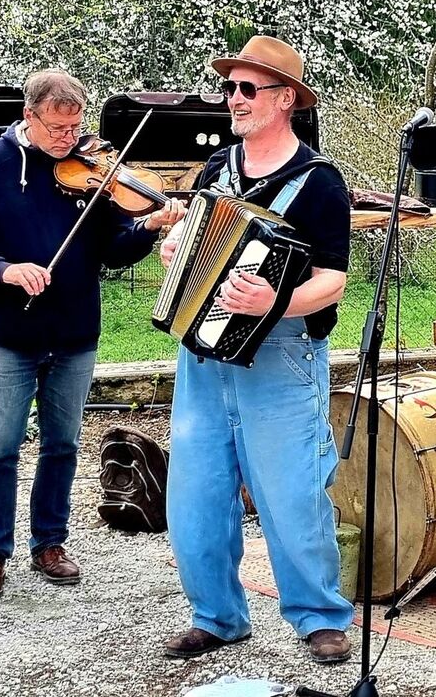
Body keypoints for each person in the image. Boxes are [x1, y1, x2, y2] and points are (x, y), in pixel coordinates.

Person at [0, 69, 184, 601]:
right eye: (56, 128)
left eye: (75, 127)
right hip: (6, 334)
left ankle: (49, 542)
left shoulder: (94, 171)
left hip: (74, 332)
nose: (68, 139)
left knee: (62, 445)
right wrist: (2, 269)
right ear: (29, 115)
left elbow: (112, 251)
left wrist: (146, 227)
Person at [160, 35, 354, 665]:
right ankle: (215, 616)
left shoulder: (320, 183)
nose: (233, 99)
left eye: (248, 88)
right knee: (196, 494)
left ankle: (319, 616)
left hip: (283, 356)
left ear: (286, 99)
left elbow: (332, 281)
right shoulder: (217, 169)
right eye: (230, 87)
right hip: (203, 355)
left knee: (292, 493)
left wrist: (273, 302)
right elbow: (191, 245)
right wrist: (173, 251)